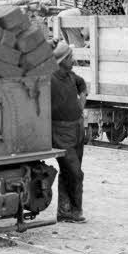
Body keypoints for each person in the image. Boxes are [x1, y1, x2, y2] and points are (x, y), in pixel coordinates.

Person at [49, 40, 88, 223]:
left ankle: (66, 211)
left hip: (77, 129)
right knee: (74, 172)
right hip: (60, 131)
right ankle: (74, 210)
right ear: (62, 59)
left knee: (70, 171)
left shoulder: (71, 76)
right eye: (70, 57)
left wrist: (81, 104)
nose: (73, 60)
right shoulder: (50, 77)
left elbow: (82, 85)